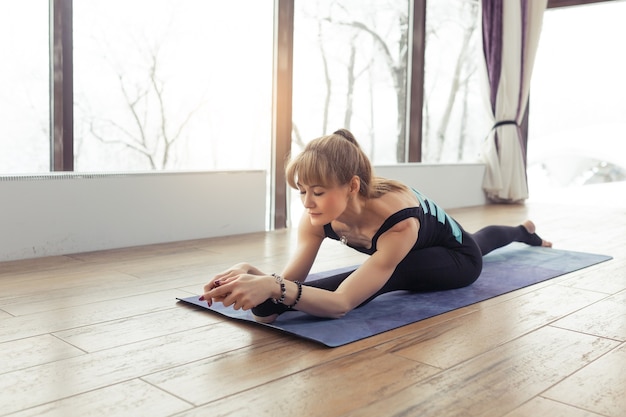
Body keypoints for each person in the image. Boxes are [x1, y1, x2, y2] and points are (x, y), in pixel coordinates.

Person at [201, 129, 552, 323]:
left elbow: (339, 304)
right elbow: (289, 285)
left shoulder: (398, 224)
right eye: (303, 191)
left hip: (456, 257)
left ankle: (523, 232)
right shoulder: (317, 218)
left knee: (467, 247)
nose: (307, 202)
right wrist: (252, 274)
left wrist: (270, 290)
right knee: (478, 237)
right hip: (422, 241)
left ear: (352, 187)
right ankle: (524, 230)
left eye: (318, 192)